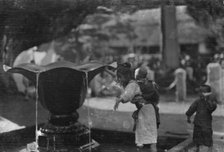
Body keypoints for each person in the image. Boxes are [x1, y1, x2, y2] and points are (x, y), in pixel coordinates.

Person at [114, 62, 157, 152]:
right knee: (151, 139)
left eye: (120, 77)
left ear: (126, 76)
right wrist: (108, 71)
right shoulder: (132, 83)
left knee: (141, 139)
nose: (119, 79)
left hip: (145, 111)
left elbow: (127, 95)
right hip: (148, 110)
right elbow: (119, 82)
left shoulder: (132, 85)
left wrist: (120, 100)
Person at [185, 84, 217, 152]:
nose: (200, 94)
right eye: (200, 92)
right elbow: (192, 109)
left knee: (207, 136)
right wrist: (188, 116)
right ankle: (197, 147)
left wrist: (207, 99)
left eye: (202, 92)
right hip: (198, 123)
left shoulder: (211, 101)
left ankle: (209, 148)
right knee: (197, 136)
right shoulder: (198, 101)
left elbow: (212, 108)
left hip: (206, 123)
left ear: (208, 93)